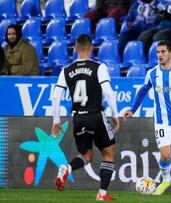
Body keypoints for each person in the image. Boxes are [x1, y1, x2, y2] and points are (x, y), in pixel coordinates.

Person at [123, 40, 171, 196]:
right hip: (162, 121)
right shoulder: (152, 74)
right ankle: (166, 180)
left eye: (163, 52)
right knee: (165, 155)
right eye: (158, 52)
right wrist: (132, 110)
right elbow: (142, 91)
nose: (160, 55)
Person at [51, 34, 120, 201]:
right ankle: (102, 193)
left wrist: (56, 121)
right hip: (96, 115)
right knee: (109, 154)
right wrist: (115, 115)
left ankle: (67, 168)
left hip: (78, 118)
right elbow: (109, 93)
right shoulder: (99, 67)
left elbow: (55, 96)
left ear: (75, 48)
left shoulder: (66, 70)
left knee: (86, 156)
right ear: (91, 48)